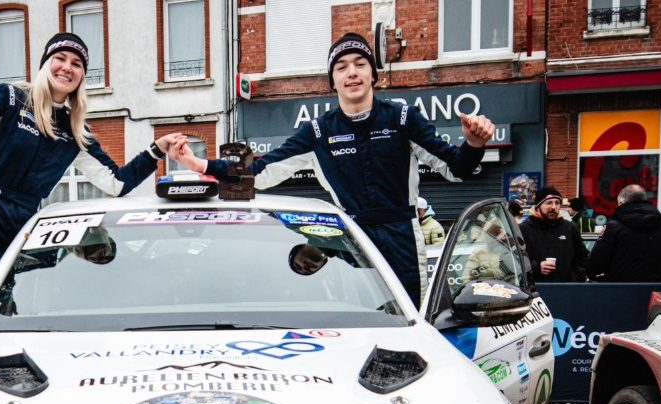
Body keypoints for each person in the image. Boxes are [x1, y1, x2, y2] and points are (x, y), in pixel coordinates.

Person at [172, 32, 494, 308]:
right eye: (341, 67)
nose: (351, 73)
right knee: (361, 323)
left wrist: (474, 144)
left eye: (360, 64)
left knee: (410, 321)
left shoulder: (402, 118)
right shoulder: (318, 131)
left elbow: (457, 169)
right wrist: (201, 164)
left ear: (373, 75)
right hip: (351, 241)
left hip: (403, 238)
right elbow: (260, 173)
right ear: (333, 80)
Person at [0, 33, 185, 300]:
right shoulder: (9, 97)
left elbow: (116, 183)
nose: (67, 67)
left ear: (82, 77)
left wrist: (156, 150)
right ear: (45, 64)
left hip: (24, 231)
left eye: (77, 64)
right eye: (60, 58)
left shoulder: (75, 131)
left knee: (21, 310)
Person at [585, 184, 661, 282]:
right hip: (655, 286)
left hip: (621, 287)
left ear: (621, 203)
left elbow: (595, 263)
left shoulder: (614, 227)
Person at [519, 186, 589, 282]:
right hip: (536, 288)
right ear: (538, 206)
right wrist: (536, 267)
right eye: (549, 203)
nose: (553, 207)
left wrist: (576, 279)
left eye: (557, 203)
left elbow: (582, 256)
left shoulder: (569, 228)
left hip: (566, 287)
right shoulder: (524, 229)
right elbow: (516, 259)